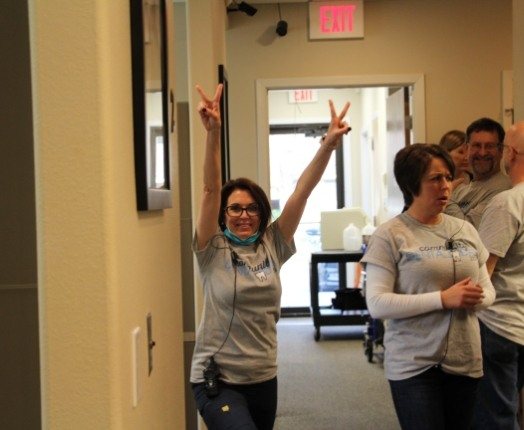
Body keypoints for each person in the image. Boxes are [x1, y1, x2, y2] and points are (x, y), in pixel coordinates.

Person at [189, 83, 351, 430]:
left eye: (251, 209)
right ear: (223, 213)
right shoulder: (211, 248)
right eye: (234, 208)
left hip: (264, 375)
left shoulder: (272, 244)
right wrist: (213, 133)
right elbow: (209, 190)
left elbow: (301, 192)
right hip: (216, 376)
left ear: (262, 213)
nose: (243, 215)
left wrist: (328, 145)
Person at [362, 143, 496, 430]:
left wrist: (475, 297)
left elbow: (488, 291)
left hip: (465, 360)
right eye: (435, 179)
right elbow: (377, 303)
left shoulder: (465, 230)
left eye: (448, 177)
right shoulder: (390, 235)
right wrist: (443, 299)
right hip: (414, 365)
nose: (446, 186)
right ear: (411, 184)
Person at [473, 121, 524, 429]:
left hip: (500, 327)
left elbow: (484, 273)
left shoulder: (507, 203)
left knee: (496, 418)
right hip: (520, 325)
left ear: (511, 153)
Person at [444, 117, 511, 228]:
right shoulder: (462, 188)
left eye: (489, 146)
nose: (482, 152)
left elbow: (469, 230)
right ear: (467, 149)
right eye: (476, 145)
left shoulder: (502, 190)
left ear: (501, 150)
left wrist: (446, 198)